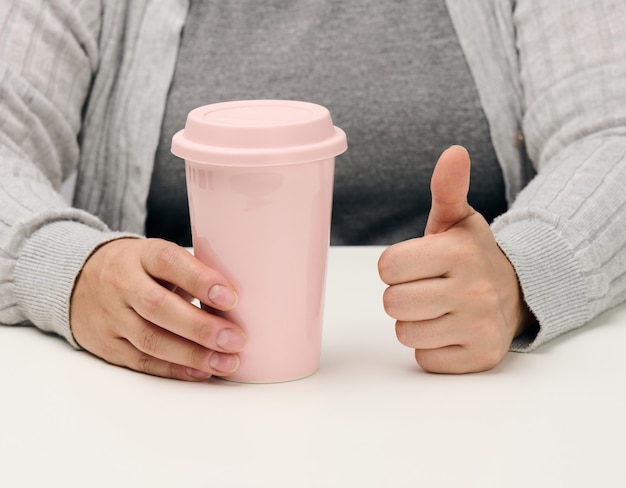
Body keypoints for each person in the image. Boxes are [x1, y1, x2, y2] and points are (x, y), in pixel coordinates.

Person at [1, 0, 625, 380]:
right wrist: (71, 270)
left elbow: (611, 132)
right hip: (172, 403)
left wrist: (520, 273)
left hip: (455, 395)